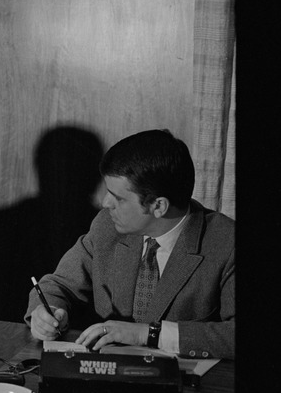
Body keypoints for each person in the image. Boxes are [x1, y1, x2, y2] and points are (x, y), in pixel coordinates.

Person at [26, 129, 234, 359]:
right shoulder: (107, 226)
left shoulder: (227, 243)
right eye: (107, 192)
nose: (105, 203)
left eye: (119, 198)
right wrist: (49, 311)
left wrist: (148, 334)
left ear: (158, 206)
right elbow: (58, 285)